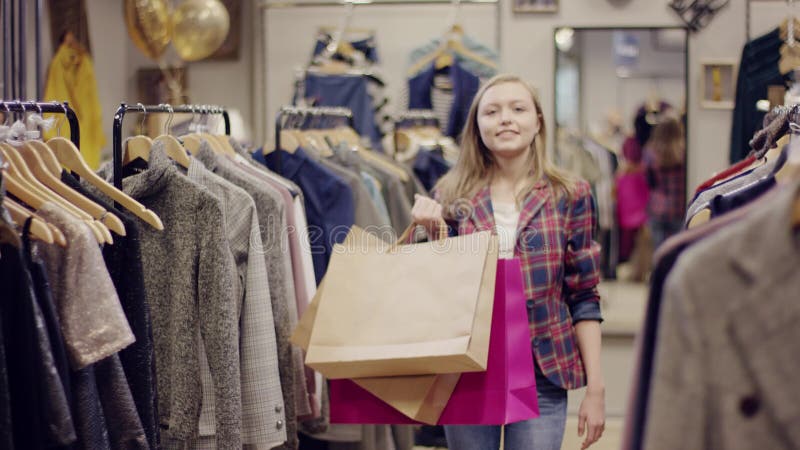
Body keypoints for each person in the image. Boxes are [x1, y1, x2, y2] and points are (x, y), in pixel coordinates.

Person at [411, 74, 605, 450]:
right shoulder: (450, 195)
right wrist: (428, 232)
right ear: (477, 126)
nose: (505, 119)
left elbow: (584, 295)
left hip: (542, 372)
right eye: (492, 111)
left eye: (518, 109)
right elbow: (433, 290)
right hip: (468, 372)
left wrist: (595, 388)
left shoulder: (570, 194)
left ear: (538, 123)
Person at [643, 115, 686, 249]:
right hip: (679, 208)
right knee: (677, 255)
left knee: (659, 255)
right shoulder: (684, 152)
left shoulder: (650, 152)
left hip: (657, 209)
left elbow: (649, 182)